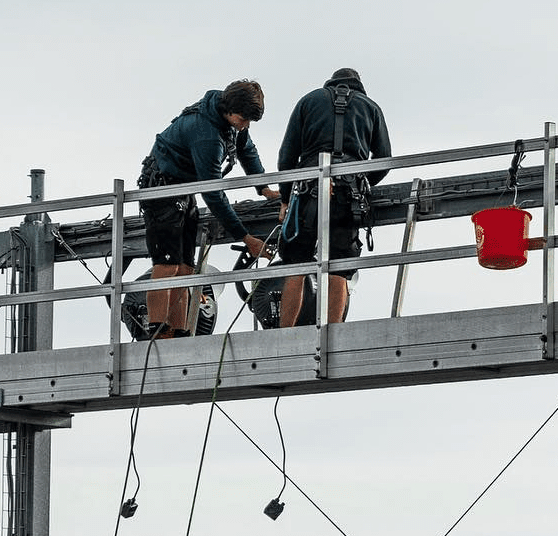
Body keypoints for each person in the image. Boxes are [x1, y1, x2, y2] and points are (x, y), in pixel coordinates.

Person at [138, 80, 280, 337]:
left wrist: (264, 188)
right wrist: (245, 237)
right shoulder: (207, 135)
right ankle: (159, 329)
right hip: (161, 191)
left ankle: (179, 330)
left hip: (183, 190)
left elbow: (246, 149)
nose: (245, 125)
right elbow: (213, 194)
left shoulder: (230, 123)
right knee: (167, 264)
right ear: (230, 110)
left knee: (185, 268)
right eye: (244, 119)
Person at [260, 67, 392, 329]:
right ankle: (333, 333)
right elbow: (384, 159)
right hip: (349, 193)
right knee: (340, 266)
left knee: (295, 264)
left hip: (306, 191)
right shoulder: (371, 107)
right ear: (358, 85)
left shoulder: (308, 101)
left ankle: (286, 332)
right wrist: (362, 184)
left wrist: (286, 198)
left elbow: (286, 157)